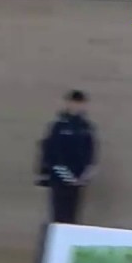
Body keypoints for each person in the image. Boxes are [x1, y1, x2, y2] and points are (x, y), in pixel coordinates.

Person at [38, 89, 97, 224]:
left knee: (72, 216)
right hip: (60, 179)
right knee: (59, 215)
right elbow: (52, 154)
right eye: (74, 102)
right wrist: (68, 177)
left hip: (78, 180)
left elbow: (90, 152)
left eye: (80, 103)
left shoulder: (86, 127)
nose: (77, 106)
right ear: (68, 103)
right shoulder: (58, 126)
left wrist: (84, 176)